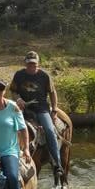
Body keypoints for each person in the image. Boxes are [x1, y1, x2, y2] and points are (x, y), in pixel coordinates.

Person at [9, 51, 63, 180]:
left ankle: (57, 164)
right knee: (8, 126)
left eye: (34, 64)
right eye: (29, 64)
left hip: (41, 109)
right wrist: (18, 99)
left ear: (38, 64)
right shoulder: (19, 75)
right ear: (25, 64)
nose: (31, 66)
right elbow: (13, 90)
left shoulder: (44, 76)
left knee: (49, 130)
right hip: (23, 109)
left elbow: (53, 92)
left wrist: (54, 109)